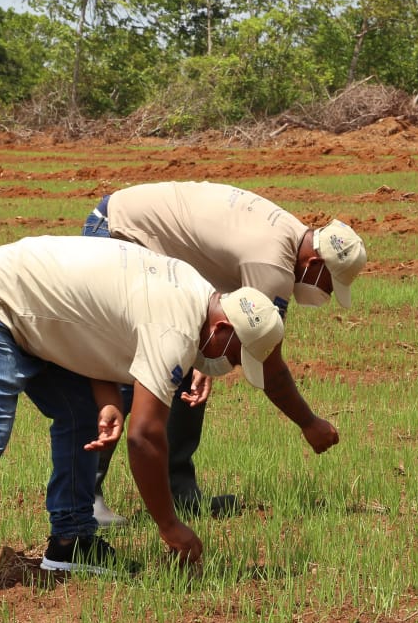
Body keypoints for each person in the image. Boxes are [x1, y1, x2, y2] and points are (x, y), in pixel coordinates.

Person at [0, 235, 285, 623]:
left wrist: (108, 397)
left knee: (81, 413)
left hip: (27, 309)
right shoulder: (177, 329)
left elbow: (97, 325)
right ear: (221, 329)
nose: (230, 363)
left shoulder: (195, 292)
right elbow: (144, 438)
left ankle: (71, 540)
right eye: (236, 354)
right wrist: (170, 526)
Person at [82, 181, 367, 525]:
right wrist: (309, 423)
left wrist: (205, 359)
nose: (326, 292)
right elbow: (267, 362)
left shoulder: (291, 234)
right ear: (316, 262)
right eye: (328, 283)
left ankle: (180, 492)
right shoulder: (273, 264)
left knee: (186, 356)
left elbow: (225, 318)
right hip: (120, 233)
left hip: (139, 231)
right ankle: (85, 499)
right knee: (134, 365)